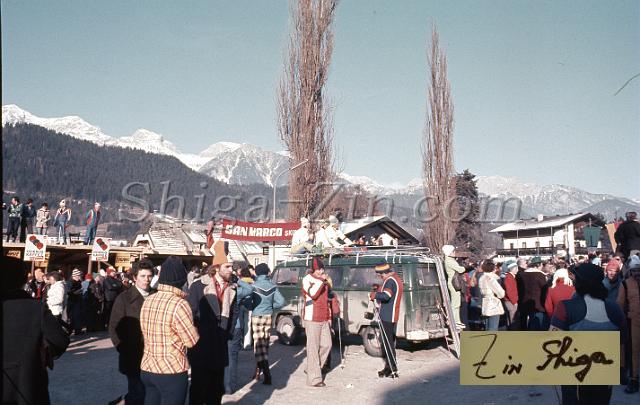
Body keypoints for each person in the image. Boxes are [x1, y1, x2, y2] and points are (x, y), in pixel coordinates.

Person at [550, 263, 626, 404]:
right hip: (604, 372)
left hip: (573, 374)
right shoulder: (614, 308)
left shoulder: (565, 307)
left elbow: (554, 342)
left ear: (580, 283)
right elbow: (621, 341)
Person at [2, 257, 70, 405]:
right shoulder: (35, 308)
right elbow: (60, 341)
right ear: (22, 280)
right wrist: (42, 353)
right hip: (27, 383)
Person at [140, 256, 199, 405]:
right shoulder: (180, 304)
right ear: (181, 280)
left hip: (148, 367)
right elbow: (191, 341)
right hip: (171, 370)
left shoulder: (148, 300)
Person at [187, 241, 238, 405]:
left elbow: (234, 313)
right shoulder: (198, 286)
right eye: (227, 267)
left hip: (219, 347)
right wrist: (195, 339)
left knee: (216, 392)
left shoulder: (232, 288)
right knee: (197, 390)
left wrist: (227, 335)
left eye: (231, 267)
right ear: (216, 267)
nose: (231, 270)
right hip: (201, 347)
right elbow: (190, 314)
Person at [109, 259, 155, 405]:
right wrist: (124, 349)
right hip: (133, 356)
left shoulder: (156, 296)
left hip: (154, 355)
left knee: (150, 393)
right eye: (143, 276)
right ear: (135, 277)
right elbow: (114, 328)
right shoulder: (124, 298)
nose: (147, 279)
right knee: (138, 393)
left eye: (149, 276)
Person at [237, 263, 286, 386]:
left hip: (257, 316)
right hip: (268, 316)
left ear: (257, 273)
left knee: (258, 345)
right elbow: (281, 302)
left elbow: (248, 304)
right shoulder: (273, 286)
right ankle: (258, 372)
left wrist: (252, 306)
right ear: (267, 272)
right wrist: (270, 307)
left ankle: (267, 374)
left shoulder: (253, 286)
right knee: (264, 344)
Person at [302, 257, 332, 387]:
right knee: (313, 348)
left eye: (322, 269)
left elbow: (327, 299)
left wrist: (329, 317)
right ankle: (314, 379)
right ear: (314, 269)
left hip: (323, 317)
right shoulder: (307, 279)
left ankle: (311, 368)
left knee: (327, 345)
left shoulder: (323, 281)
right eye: (319, 269)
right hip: (312, 317)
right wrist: (322, 281)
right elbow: (313, 294)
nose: (321, 271)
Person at [370, 262, 404, 378]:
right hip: (392, 315)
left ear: (384, 273)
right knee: (389, 342)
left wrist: (375, 295)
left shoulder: (389, 281)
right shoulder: (396, 278)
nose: (380, 277)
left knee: (387, 344)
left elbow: (386, 296)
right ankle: (388, 367)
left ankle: (393, 370)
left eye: (380, 275)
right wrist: (379, 289)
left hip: (387, 316)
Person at [618, 255, 640, 394]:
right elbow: (620, 304)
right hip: (632, 322)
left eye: (639, 270)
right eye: (635, 270)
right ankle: (634, 378)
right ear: (630, 271)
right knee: (633, 351)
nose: (637, 273)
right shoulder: (625, 284)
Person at [517, 256, 548, 330]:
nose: (542, 266)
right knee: (535, 326)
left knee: (523, 325)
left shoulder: (521, 274)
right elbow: (544, 292)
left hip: (523, 302)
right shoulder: (541, 276)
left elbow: (519, 289)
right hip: (537, 304)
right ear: (538, 265)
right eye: (541, 264)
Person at [442, 245, 466, 329]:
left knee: (457, 303)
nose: (454, 252)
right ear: (448, 253)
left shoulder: (451, 260)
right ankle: (454, 321)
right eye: (452, 251)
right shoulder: (449, 261)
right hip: (454, 283)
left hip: (454, 282)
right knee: (455, 303)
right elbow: (460, 269)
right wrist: (464, 267)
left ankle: (457, 321)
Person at [477, 260, 505, 331]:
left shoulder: (482, 277)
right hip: (493, 303)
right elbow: (501, 293)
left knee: (487, 326)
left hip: (485, 302)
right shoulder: (491, 278)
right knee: (493, 327)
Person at [67, 269, 85, 335]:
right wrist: (75, 292)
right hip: (71, 301)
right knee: (72, 316)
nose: (79, 277)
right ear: (74, 276)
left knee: (77, 316)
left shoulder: (79, 282)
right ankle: (70, 329)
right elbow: (68, 292)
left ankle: (77, 330)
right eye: (78, 276)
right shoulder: (70, 282)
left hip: (77, 300)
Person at [502, 260, 519, 329]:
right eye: (516, 268)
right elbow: (509, 291)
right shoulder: (509, 277)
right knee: (513, 321)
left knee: (511, 320)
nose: (517, 269)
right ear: (512, 268)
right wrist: (514, 302)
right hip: (511, 302)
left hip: (511, 301)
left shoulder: (510, 276)